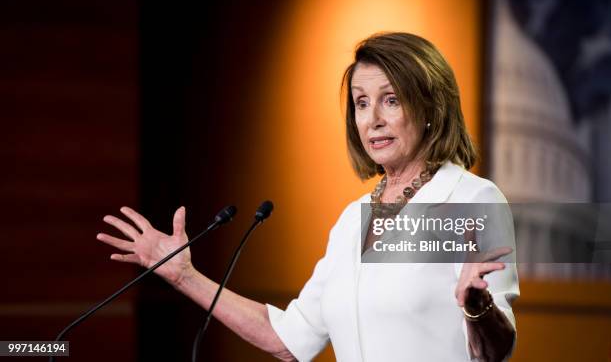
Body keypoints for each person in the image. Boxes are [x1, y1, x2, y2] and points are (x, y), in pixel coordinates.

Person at [97, 32, 518, 362]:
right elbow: (289, 339)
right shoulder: (353, 221)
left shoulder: (473, 200)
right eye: (360, 103)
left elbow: (494, 350)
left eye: (391, 100)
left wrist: (477, 307)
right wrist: (182, 275)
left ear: (429, 108)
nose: (372, 120)